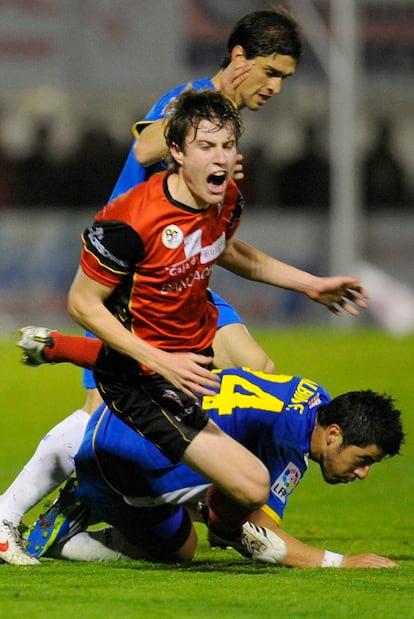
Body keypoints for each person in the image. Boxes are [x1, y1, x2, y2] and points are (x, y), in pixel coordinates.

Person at [0, 9, 367, 565]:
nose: (275, 87)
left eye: (285, 78)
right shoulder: (193, 101)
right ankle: (31, 508)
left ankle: (200, 499)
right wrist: (205, 122)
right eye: (271, 71)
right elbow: (147, 149)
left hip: (187, 278)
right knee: (111, 418)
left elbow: (229, 246)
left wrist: (309, 283)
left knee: (256, 372)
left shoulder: (221, 142)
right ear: (239, 58)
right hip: (131, 288)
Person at [25, 367, 404, 568]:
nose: (362, 473)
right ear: (334, 433)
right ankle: (66, 539)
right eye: (363, 460)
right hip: (122, 464)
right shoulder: (289, 441)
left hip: (120, 419)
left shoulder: (313, 395)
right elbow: (257, 537)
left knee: (222, 493)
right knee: (183, 548)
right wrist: (340, 562)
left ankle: (89, 498)